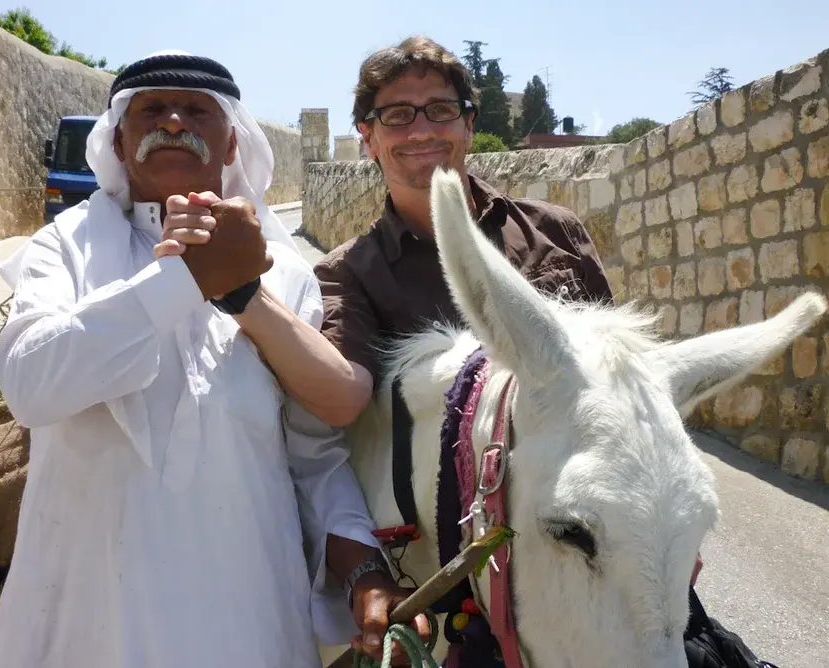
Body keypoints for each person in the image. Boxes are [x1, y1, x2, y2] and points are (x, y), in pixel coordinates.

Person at [310, 35, 776, 668]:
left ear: (470, 124)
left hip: (573, 563)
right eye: (397, 114)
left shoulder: (554, 232)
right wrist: (364, 572)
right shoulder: (348, 274)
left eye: (441, 109)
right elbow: (334, 431)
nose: (421, 128)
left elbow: (622, 397)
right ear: (367, 137)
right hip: (449, 572)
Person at [0, 50, 428, 668]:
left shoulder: (285, 273)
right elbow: (30, 384)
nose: (171, 122)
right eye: (151, 110)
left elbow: (313, 457)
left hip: (247, 618)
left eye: (195, 109)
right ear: (117, 138)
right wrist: (186, 281)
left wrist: (361, 570)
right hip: (83, 619)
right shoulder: (64, 248)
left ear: (231, 145)